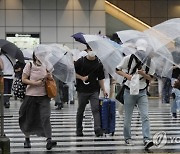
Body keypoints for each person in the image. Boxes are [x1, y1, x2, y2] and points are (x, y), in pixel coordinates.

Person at [115, 39, 156, 150]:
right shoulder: (128, 58)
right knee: (128, 116)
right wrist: (127, 76)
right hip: (129, 90)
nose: (140, 54)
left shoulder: (151, 62)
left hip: (142, 91)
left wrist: (143, 73)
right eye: (139, 52)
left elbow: (151, 77)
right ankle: (127, 137)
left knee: (145, 115)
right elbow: (117, 69)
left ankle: (147, 139)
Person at [19, 52, 57, 150]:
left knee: (46, 117)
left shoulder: (47, 64)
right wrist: (34, 83)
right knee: (29, 118)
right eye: (39, 54)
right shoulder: (29, 64)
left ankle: (49, 139)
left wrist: (49, 76)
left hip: (44, 96)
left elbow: (51, 79)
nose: (41, 56)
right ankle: (27, 139)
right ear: (35, 55)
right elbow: (23, 79)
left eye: (42, 54)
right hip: (30, 96)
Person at [74, 45, 108, 137]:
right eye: (90, 49)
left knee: (95, 109)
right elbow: (73, 72)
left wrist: (104, 90)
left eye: (94, 49)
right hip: (82, 90)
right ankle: (79, 129)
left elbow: (101, 78)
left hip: (94, 89)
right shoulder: (81, 61)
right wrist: (81, 78)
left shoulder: (99, 63)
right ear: (87, 50)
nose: (92, 51)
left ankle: (97, 128)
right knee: (81, 110)